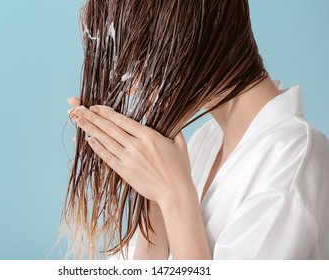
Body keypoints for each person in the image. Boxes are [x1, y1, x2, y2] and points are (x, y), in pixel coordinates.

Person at [65, 0, 329, 259]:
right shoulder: (206, 140)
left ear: (189, 38)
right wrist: (154, 195)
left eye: (137, 61)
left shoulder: (291, 166)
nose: (133, 88)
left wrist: (175, 195)